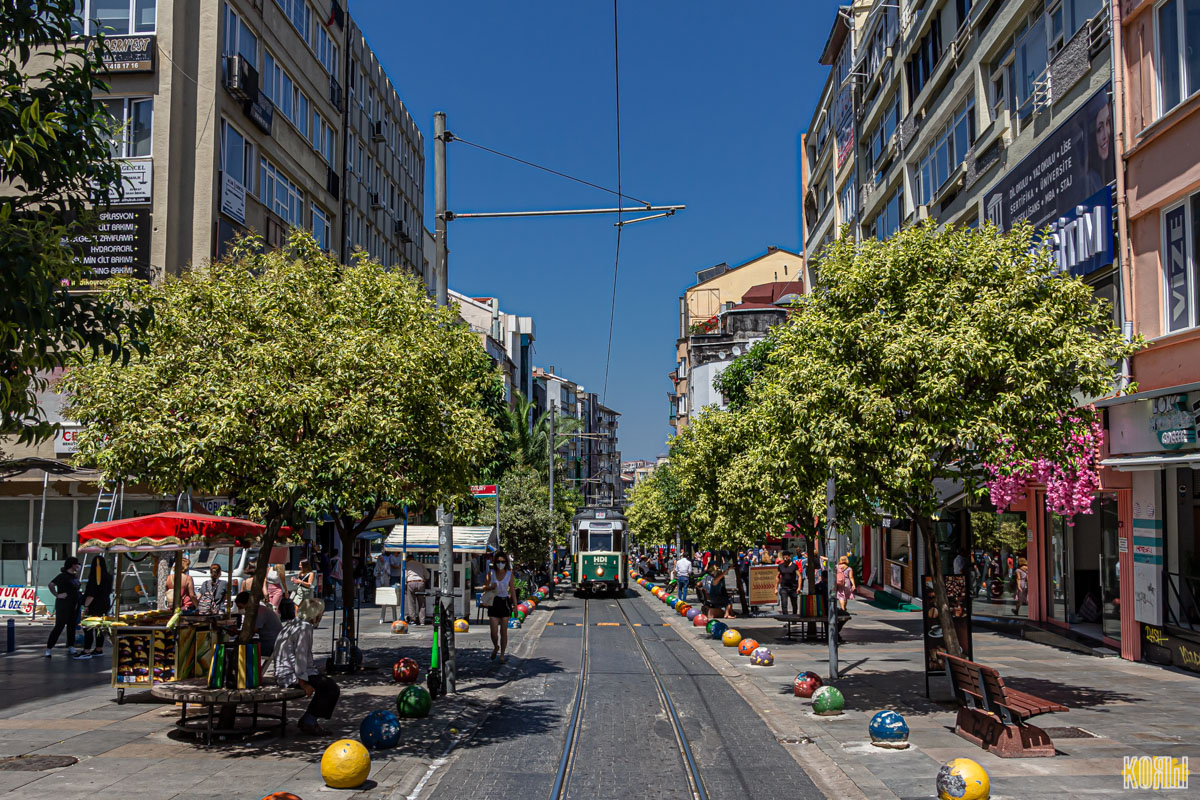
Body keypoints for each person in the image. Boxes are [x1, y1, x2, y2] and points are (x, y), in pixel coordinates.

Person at [271, 598, 339, 735]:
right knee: (330, 688)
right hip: (291, 675)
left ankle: (309, 719)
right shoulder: (304, 628)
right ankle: (309, 721)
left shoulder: (293, 624)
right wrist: (302, 683)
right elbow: (300, 658)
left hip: (286, 672)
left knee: (326, 684)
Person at [480, 550, 514, 662]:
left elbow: (512, 591)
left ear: (506, 562)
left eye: (503, 562)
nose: (500, 564)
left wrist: (515, 606)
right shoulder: (491, 573)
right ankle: (496, 646)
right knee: (493, 632)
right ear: (495, 562)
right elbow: (484, 586)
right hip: (494, 602)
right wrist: (490, 587)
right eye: (498, 561)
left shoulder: (509, 574)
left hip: (505, 602)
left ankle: (502, 655)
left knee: (504, 631)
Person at [45, 557, 82, 657]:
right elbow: (51, 584)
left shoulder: (74, 576)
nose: (78, 566)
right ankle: (49, 648)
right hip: (64, 605)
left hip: (74, 605)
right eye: (76, 564)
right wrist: (57, 595)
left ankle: (71, 646)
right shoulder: (63, 576)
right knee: (59, 626)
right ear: (72, 565)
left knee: (71, 626)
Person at [77, 556, 113, 659]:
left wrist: (86, 606)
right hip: (105, 604)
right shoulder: (108, 577)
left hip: (94, 605)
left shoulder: (94, 578)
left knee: (88, 628)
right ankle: (98, 649)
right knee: (100, 628)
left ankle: (86, 650)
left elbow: (91, 595)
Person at [234, 591, 283, 656]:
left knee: (245, 649)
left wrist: (239, 633)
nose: (240, 609)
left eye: (240, 607)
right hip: (270, 641)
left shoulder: (260, 612)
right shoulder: (259, 610)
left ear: (247, 604)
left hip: (271, 643)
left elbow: (252, 631)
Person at [291, 559, 322, 626]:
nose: (299, 566)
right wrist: (294, 580)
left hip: (306, 593)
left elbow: (309, 584)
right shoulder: (300, 573)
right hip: (299, 592)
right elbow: (298, 582)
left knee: (307, 609)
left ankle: (311, 622)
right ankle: (297, 622)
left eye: (301, 565)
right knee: (296, 607)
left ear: (305, 566)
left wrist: (300, 581)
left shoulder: (311, 574)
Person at [404, 558, 429, 625]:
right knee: (422, 603)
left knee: (411, 603)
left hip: (411, 583)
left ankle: (413, 620)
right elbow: (427, 575)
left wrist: (405, 584)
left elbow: (405, 576)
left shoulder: (406, 564)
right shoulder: (420, 564)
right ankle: (422, 621)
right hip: (420, 583)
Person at [776, 549, 799, 615]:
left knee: (794, 604)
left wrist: (799, 587)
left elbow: (799, 576)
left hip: (793, 587)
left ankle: (794, 616)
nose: (785, 558)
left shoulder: (794, 566)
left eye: (787, 557)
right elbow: (777, 576)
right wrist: (775, 588)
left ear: (789, 557)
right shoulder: (780, 566)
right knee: (784, 603)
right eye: (784, 557)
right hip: (784, 588)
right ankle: (785, 616)